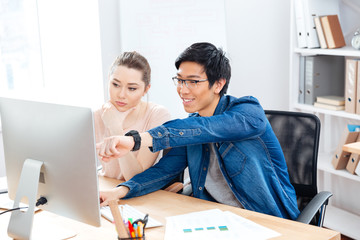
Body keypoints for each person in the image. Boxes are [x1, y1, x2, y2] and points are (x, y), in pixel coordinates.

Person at [97, 43, 300, 220]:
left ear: (218, 84)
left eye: (193, 82)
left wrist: (135, 140)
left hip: (265, 219)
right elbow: (162, 172)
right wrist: (119, 191)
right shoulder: (191, 126)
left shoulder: (248, 111)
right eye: (180, 80)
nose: (183, 90)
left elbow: (207, 128)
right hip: (212, 218)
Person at [94, 51, 171, 181]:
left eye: (132, 88)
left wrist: (115, 129)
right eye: (116, 85)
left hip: (137, 196)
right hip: (104, 189)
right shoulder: (97, 115)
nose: (121, 95)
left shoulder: (157, 115)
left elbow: (135, 178)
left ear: (146, 89)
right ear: (109, 80)